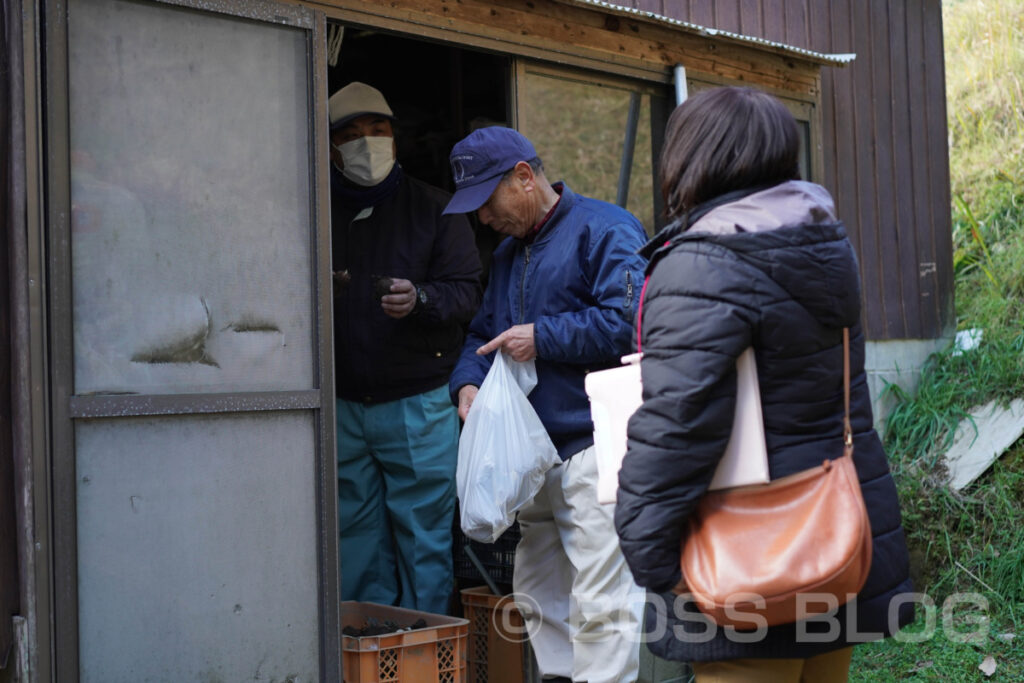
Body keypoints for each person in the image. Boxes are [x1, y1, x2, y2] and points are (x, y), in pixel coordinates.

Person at [614, 86, 914, 682]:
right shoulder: (823, 242)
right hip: (835, 532)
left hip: (748, 552)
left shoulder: (704, 263)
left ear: (692, 156)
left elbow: (679, 424)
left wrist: (650, 555)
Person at [444, 126, 648, 683]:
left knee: (602, 600)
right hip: (535, 459)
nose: (483, 220)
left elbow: (632, 324)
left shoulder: (605, 228)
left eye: (487, 204)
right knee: (538, 592)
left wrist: (544, 336)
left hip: (597, 446)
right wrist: (467, 382)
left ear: (524, 177)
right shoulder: (510, 253)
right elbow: (483, 332)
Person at [329, 82, 482, 615]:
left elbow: (468, 292)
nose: (365, 143)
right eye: (349, 136)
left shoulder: (437, 208)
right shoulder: (311, 211)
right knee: (354, 540)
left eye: (376, 130)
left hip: (419, 402)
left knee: (425, 540)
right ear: (328, 147)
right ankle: (370, 649)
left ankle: (426, 648)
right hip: (341, 402)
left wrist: (421, 298)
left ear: (395, 138)